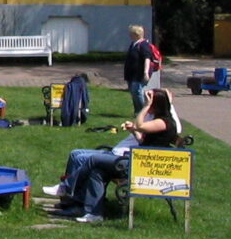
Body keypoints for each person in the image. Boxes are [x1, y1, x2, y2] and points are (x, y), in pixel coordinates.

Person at [44, 88, 182, 224]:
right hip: (139, 161)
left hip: (141, 166)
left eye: (151, 103)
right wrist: (134, 131)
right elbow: (142, 141)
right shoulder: (160, 121)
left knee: (92, 159)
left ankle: (66, 187)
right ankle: (94, 213)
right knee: (97, 172)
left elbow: (140, 125)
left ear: (155, 105)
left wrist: (145, 106)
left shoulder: (164, 122)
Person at [123, 25, 155, 113]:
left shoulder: (144, 45)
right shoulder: (133, 44)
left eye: (131, 33)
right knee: (133, 93)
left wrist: (146, 72)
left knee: (137, 91)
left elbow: (147, 59)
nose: (129, 35)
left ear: (136, 34)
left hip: (139, 74)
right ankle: (137, 111)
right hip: (131, 74)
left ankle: (142, 112)